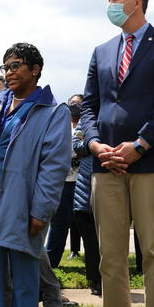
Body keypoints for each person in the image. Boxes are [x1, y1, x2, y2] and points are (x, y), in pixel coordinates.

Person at [80, 0, 154, 307]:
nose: (109, 5)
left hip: (151, 161)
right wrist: (95, 145)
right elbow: (89, 105)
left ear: (136, 3)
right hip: (106, 163)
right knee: (109, 255)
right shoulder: (101, 51)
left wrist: (140, 145)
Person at [0, 42, 70, 307]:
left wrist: (41, 210)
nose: (8, 72)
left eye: (15, 65)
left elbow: (54, 166)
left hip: (22, 205)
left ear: (35, 70)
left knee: (25, 281)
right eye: (5, 67)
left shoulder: (53, 111)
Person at [45, 94, 83, 268]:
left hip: (83, 181)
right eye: (72, 103)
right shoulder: (61, 125)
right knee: (60, 224)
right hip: (64, 182)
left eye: (79, 103)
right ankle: (50, 264)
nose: (75, 106)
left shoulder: (89, 126)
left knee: (86, 225)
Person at [71, 102, 102, 297]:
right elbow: (77, 145)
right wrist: (94, 145)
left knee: (108, 240)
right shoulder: (84, 121)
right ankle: (94, 280)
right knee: (90, 241)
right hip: (84, 188)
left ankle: (112, 278)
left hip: (109, 183)